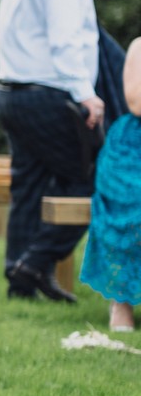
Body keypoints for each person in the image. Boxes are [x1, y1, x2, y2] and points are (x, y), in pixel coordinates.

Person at [0, 0, 117, 302]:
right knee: (92, 180)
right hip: (48, 95)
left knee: (28, 184)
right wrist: (86, 94)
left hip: (9, 93)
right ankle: (34, 263)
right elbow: (65, 42)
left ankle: (21, 275)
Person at [83, 36, 141, 332]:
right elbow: (136, 101)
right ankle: (121, 301)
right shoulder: (139, 47)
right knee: (135, 204)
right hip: (132, 152)